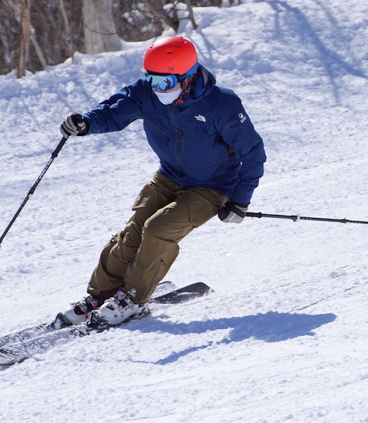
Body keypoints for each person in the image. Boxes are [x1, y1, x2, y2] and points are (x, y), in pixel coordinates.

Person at [57, 36, 265, 328]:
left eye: (166, 83)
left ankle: (131, 298)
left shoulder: (221, 103)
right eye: (152, 80)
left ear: (188, 77)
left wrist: (240, 200)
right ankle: (99, 295)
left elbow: (253, 152)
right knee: (133, 232)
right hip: (168, 176)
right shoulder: (147, 93)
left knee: (158, 230)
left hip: (211, 187)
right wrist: (86, 123)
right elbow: (114, 111)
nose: (158, 88)